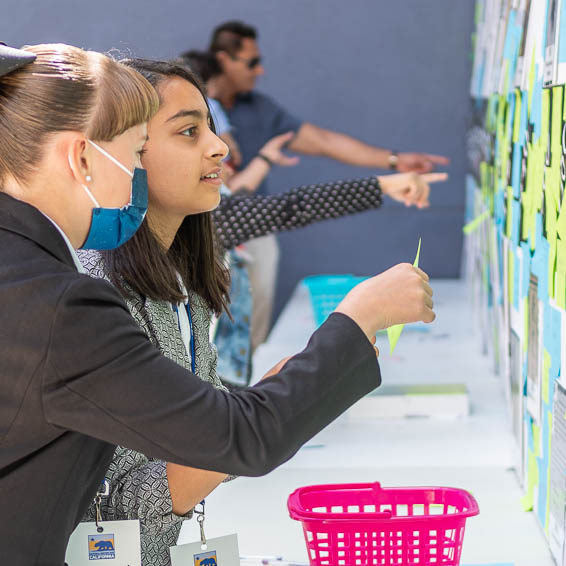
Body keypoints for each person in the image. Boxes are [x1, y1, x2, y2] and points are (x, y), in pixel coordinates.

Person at [0, 43, 434, 565]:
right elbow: (119, 502)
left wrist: (252, 407)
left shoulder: (170, 270)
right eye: (139, 147)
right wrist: (357, 317)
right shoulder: (72, 301)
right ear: (84, 156)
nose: (220, 148)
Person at [181, 24, 450, 350]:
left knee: (243, 340)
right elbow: (288, 207)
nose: (220, 149)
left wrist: (392, 167)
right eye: (190, 132)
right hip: (210, 375)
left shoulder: (257, 115)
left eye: (216, 132)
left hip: (247, 240)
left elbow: (312, 164)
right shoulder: (193, 218)